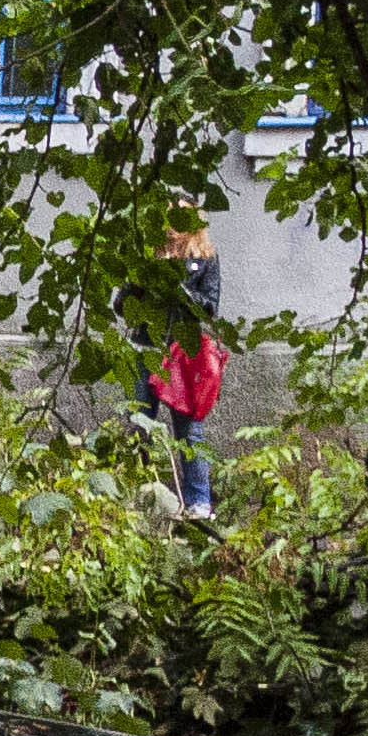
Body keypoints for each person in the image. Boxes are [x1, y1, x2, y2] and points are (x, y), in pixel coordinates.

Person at [138, 222, 227, 521]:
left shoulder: (206, 256)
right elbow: (122, 303)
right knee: (139, 426)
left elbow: (210, 307)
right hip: (146, 349)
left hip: (182, 355)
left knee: (189, 431)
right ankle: (138, 499)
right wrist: (144, 284)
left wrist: (180, 290)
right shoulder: (149, 253)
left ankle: (198, 504)